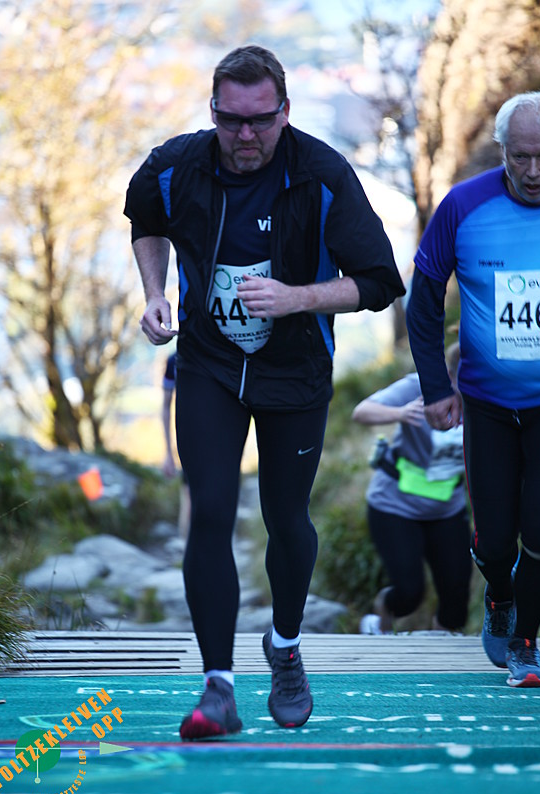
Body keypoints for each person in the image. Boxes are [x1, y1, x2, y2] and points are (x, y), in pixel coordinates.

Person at [124, 44, 405, 740]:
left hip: (295, 371)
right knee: (210, 511)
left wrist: (297, 297)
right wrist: (154, 294)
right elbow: (145, 218)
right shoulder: (176, 166)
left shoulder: (322, 174)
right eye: (230, 120)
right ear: (213, 112)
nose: (245, 135)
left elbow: (377, 281)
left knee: (287, 519)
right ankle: (218, 687)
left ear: (284, 112)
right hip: (209, 366)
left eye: (260, 120)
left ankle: (284, 645)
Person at [406, 92, 540, 688]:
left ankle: (525, 643)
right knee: (494, 541)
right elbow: (423, 301)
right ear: (502, 150)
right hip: (486, 405)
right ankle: (499, 593)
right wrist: (436, 387)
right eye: (521, 157)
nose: (533, 172)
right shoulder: (464, 205)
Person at [352, 343, 472, 635]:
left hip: (448, 506)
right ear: (449, 374)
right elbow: (361, 412)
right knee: (409, 593)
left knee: (456, 599)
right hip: (395, 505)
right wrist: (401, 413)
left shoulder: (489, 397)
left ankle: (440, 653)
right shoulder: (420, 386)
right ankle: (379, 617)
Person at [160, 351, 191, 538]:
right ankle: (187, 547)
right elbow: (165, 406)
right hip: (190, 437)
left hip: (222, 436)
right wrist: (168, 453)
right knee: (188, 497)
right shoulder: (174, 360)